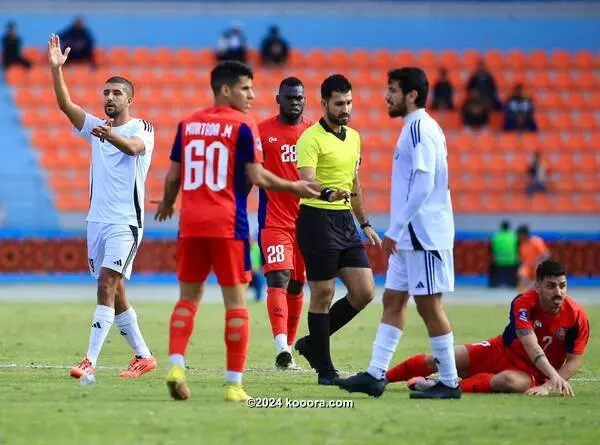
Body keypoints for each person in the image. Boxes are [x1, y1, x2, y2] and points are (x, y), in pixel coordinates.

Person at [152, 61, 320, 402]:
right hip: (229, 224)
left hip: (191, 224)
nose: (252, 95)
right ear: (225, 90)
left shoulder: (187, 124)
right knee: (236, 305)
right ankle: (233, 385)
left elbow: (172, 177)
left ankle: (175, 365)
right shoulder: (244, 126)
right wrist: (295, 187)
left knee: (187, 299)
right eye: (246, 88)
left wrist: (169, 204)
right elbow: (257, 177)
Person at [335, 67, 459, 399]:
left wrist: (396, 229)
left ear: (412, 95)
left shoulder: (419, 128)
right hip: (410, 237)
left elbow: (423, 185)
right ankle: (375, 375)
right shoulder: (413, 129)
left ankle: (450, 381)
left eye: (392, 90)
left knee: (430, 307)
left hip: (423, 236)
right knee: (393, 299)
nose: (386, 96)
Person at [48, 34, 157, 379]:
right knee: (117, 291)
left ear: (129, 99)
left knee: (106, 286)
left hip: (126, 222)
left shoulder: (142, 127)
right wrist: (56, 71)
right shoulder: (96, 127)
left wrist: (110, 136)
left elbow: (134, 149)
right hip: (97, 221)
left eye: (116, 93)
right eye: (106, 93)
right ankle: (144, 356)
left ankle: (89, 362)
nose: (110, 98)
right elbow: (66, 107)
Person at [387, 260, 587, 397]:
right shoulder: (523, 302)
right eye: (551, 286)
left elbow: (574, 361)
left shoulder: (576, 316)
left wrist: (548, 384)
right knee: (440, 358)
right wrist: (555, 378)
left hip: (534, 374)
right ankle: (381, 378)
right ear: (538, 286)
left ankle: (443, 386)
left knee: (507, 380)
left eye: (562, 285)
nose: (558, 292)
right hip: (500, 350)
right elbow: (531, 345)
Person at [294, 74, 382, 386]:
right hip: (317, 219)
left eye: (349, 102)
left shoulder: (355, 137)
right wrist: (328, 192)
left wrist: (365, 223)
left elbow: (355, 183)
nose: (345, 109)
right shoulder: (310, 139)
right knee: (323, 294)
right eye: (339, 103)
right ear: (324, 104)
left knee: (364, 292)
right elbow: (307, 182)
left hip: (345, 222)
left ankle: (310, 344)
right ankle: (325, 370)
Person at [257, 76, 313, 370]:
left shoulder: (313, 133)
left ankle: (287, 351)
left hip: (308, 223)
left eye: (299, 98)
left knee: (296, 284)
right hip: (274, 221)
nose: (294, 102)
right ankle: (281, 346)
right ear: (278, 98)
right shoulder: (262, 132)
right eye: (289, 97)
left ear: (305, 100)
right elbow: (251, 173)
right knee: (277, 278)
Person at [517, 225, 551, 293]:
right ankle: (524, 294)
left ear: (524, 234)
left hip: (538, 265)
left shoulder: (536, 241)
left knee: (538, 269)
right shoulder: (522, 244)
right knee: (521, 272)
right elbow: (521, 259)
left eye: (519, 235)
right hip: (528, 267)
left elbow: (547, 255)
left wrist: (537, 262)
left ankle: (537, 291)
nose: (519, 237)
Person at [489, 220, 518, 288]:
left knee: (491, 268)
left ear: (501, 227)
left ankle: (493, 284)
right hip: (511, 262)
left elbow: (491, 249)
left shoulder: (495, 236)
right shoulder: (514, 236)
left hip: (498, 261)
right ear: (509, 227)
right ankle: (513, 284)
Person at [249, 237, 265, 302]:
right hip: (247, 271)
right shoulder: (244, 248)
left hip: (256, 271)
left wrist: (259, 268)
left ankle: (258, 298)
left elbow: (261, 259)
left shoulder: (257, 248)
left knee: (259, 282)